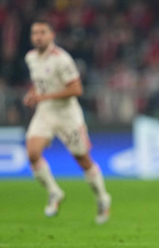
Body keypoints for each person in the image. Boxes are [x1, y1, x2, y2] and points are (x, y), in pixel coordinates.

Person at [23, 20, 111, 224]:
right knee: (32, 153)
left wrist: (42, 97)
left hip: (67, 115)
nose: (38, 36)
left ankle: (102, 198)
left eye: (42, 32)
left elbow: (76, 89)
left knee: (82, 159)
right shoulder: (31, 58)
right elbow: (40, 85)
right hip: (45, 113)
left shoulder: (62, 60)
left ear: (52, 35)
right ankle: (54, 192)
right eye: (34, 32)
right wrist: (32, 94)